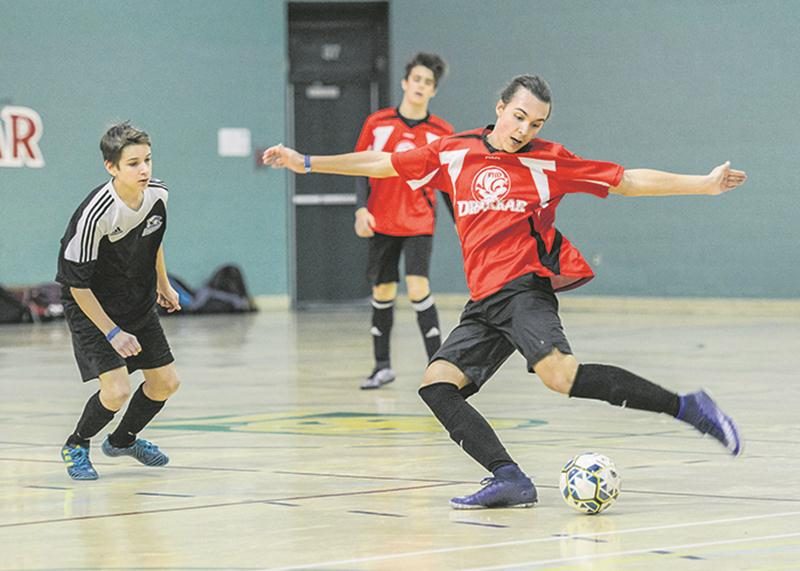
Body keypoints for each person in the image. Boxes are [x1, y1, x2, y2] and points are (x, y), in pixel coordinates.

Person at [263, 74, 746, 509]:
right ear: (499, 108)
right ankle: (509, 476)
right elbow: (384, 163)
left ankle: (689, 408)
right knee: (437, 386)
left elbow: (628, 180)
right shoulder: (452, 152)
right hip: (484, 301)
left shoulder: (548, 162)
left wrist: (702, 185)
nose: (524, 130)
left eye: (535, 123)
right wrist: (307, 161)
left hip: (524, 288)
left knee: (559, 377)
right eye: (519, 116)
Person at [56, 122, 181, 480]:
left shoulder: (158, 195)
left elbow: (154, 238)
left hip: (136, 301)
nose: (144, 169)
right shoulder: (96, 214)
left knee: (166, 383)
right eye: (133, 163)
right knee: (116, 391)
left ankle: (124, 441)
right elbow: (75, 284)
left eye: (148, 160)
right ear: (111, 167)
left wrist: (164, 283)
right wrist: (112, 333)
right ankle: (76, 444)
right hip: (91, 307)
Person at [353, 52, 454, 390]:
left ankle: (438, 367)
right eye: (417, 79)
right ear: (404, 82)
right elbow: (359, 167)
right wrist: (360, 209)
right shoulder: (378, 123)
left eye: (428, 82)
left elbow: (449, 185)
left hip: (419, 222)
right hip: (382, 221)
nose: (421, 86)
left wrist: (460, 222)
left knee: (417, 286)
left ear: (433, 90)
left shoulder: (442, 132)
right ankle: (382, 366)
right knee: (382, 290)